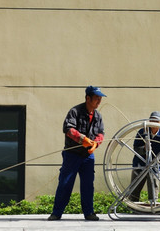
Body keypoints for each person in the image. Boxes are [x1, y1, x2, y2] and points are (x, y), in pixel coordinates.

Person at [48, 86, 106, 221]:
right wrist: (82, 139)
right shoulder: (75, 111)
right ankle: (56, 212)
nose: (99, 101)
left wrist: (96, 143)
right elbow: (68, 129)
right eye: (97, 98)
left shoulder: (98, 116)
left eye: (100, 98)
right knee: (65, 183)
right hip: (72, 154)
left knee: (88, 185)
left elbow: (101, 133)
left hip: (88, 156)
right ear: (87, 98)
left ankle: (89, 213)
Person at [128, 111, 160, 202]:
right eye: (151, 120)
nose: (153, 123)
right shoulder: (142, 132)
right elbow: (136, 148)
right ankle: (133, 208)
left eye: (156, 121)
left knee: (153, 190)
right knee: (134, 189)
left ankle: (153, 208)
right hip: (140, 165)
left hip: (154, 167)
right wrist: (144, 149)